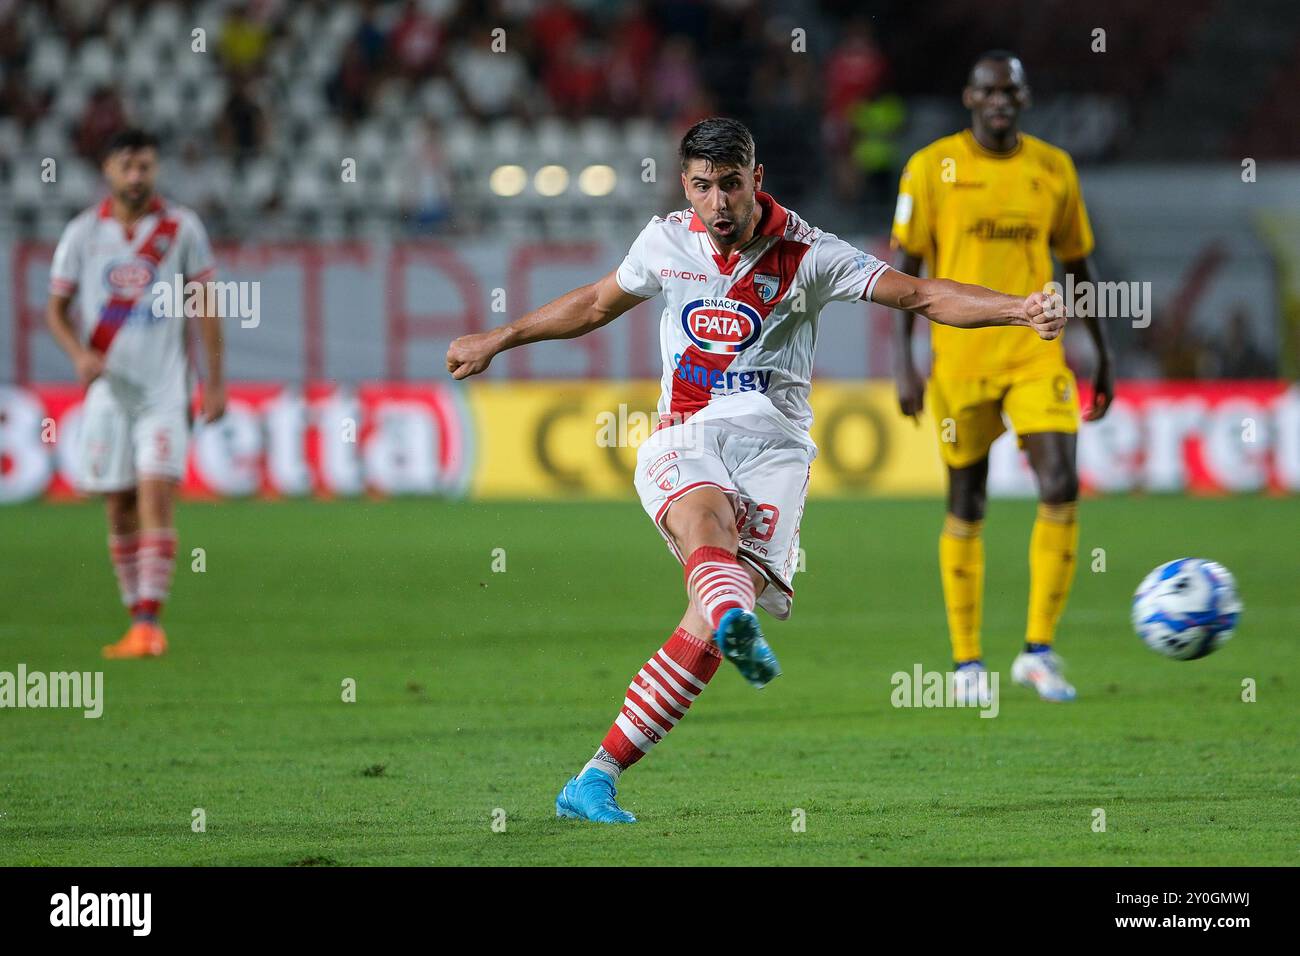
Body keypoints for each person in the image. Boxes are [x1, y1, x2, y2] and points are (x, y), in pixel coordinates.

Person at [446, 117, 1064, 823]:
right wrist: (502, 336)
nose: (718, 203)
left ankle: (595, 776)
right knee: (708, 530)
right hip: (688, 433)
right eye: (703, 187)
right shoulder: (665, 241)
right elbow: (592, 303)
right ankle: (736, 610)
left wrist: (1019, 309)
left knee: (704, 629)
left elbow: (921, 295)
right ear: (686, 186)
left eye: (731, 185)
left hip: (776, 454)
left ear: (755, 180)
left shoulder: (810, 253)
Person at [890, 52, 1114, 703]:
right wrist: (903, 361)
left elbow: (1077, 265)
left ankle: (1039, 651)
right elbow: (905, 272)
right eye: (988, 91)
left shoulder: (1053, 168)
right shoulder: (932, 168)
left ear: (1024, 97)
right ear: (969, 96)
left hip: (1037, 350)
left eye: (1010, 91)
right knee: (969, 502)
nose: (1000, 101)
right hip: (959, 359)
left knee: (1062, 481)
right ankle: (966, 663)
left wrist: (1100, 350)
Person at [46, 128, 225, 659]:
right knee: (118, 505)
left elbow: (205, 307)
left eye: (145, 166)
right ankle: (136, 620)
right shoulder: (82, 235)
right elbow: (55, 310)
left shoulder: (181, 228)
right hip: (108, 393)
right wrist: (79, 354)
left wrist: (214, 381)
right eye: (126, 166)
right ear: (107, 171)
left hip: (165, 390)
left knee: (155, 493)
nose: (136, 176)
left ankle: (151, 621)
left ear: (155, 169)